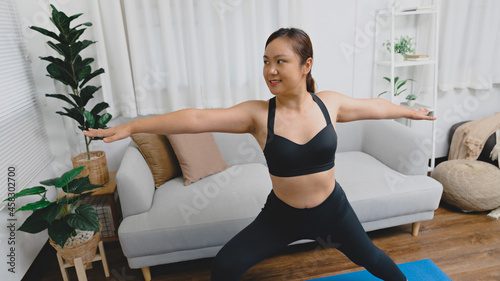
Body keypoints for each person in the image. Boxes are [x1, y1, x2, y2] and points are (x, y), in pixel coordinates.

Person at [84, 28, 434, 280]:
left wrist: (407, 111)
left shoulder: (330, 103)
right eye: (266, 61)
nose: (270, 70)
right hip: (282, 215)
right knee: (225, 266)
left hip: (333, 211)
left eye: (280, 61)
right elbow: (196, 118)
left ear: (306, 65)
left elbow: (373, 106)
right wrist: (133, 126)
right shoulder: (257, 114)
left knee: (374, 259)